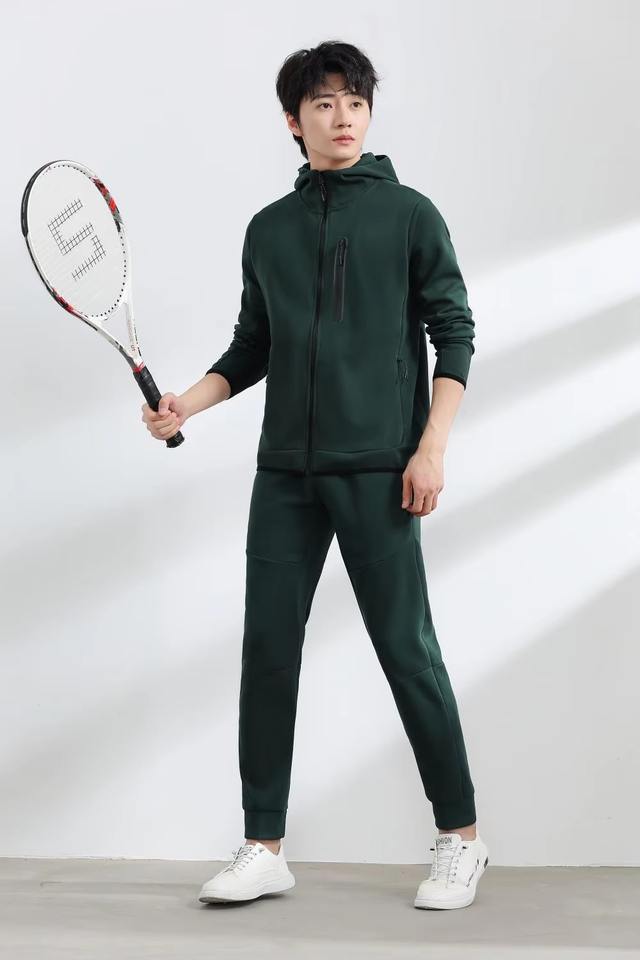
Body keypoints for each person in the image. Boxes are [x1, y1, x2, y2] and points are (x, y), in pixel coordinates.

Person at [142, 40, 489, 911]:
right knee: (267, 651)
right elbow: (252, 347)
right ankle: (264, 846)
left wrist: (431, 446)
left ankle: (461, 839)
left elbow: (455, 333)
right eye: (324, 104)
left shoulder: (410, 215)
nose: (343, 118)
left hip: (379, 469)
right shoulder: (269, 229)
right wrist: (187, 403)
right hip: (285, 477)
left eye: (355, 102)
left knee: (406, 650)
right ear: (292, 121)